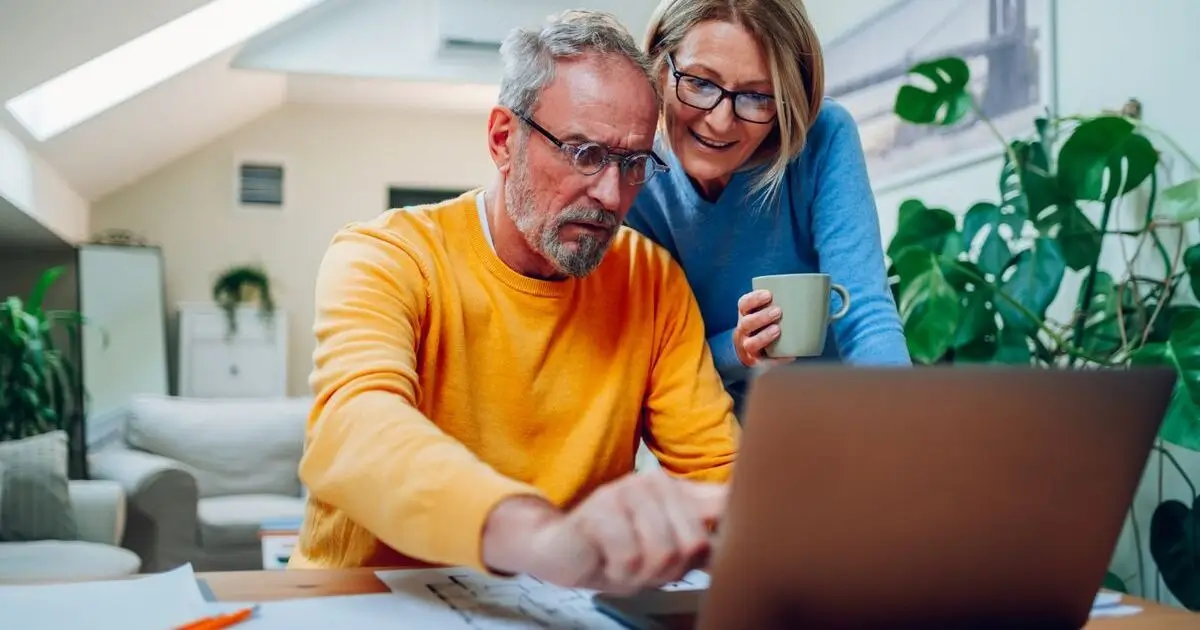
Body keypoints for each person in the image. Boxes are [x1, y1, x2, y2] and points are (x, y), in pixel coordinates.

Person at [290, 10, 740, 596]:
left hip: (558, 606)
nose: (611, 195)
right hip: (364, 601)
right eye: (584, 153)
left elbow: (718, 476)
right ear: (504, 139)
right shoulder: (387, 255)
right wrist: (544, 539)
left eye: (633, 164)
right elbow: (355, 431)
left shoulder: (651, 281)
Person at [625, 0, 911, 413]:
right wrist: (736, 349)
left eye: (756, 97)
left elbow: (866, 316)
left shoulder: (823, 137)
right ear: (658, 66)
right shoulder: (631, 175)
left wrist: (906, 424)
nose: (720, 121)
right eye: (700, 83)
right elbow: (653, 367)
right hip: (718, 432)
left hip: (847, 414)